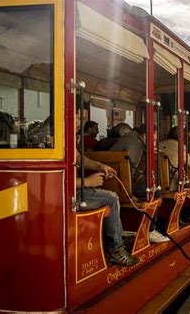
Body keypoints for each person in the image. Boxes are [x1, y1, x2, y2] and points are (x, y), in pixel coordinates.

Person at [75, 106, 139, 266]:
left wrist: (99, 166)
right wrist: (88, 182)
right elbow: (55, 182)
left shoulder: (68, 136)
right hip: (68, 195)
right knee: (111, 198)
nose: (80, 123)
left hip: (72, 189)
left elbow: (78, 158)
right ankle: (115, 248)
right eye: (78, 118)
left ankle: (112, 236)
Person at [110, 124, 169, 243]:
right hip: (120, 185)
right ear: (146, 136)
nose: (155, 142)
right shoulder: (135, 145)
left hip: (111, 182)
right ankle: (151, 230)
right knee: (154, 190)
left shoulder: (131, 138)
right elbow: (129, 171)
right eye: (154, 140)